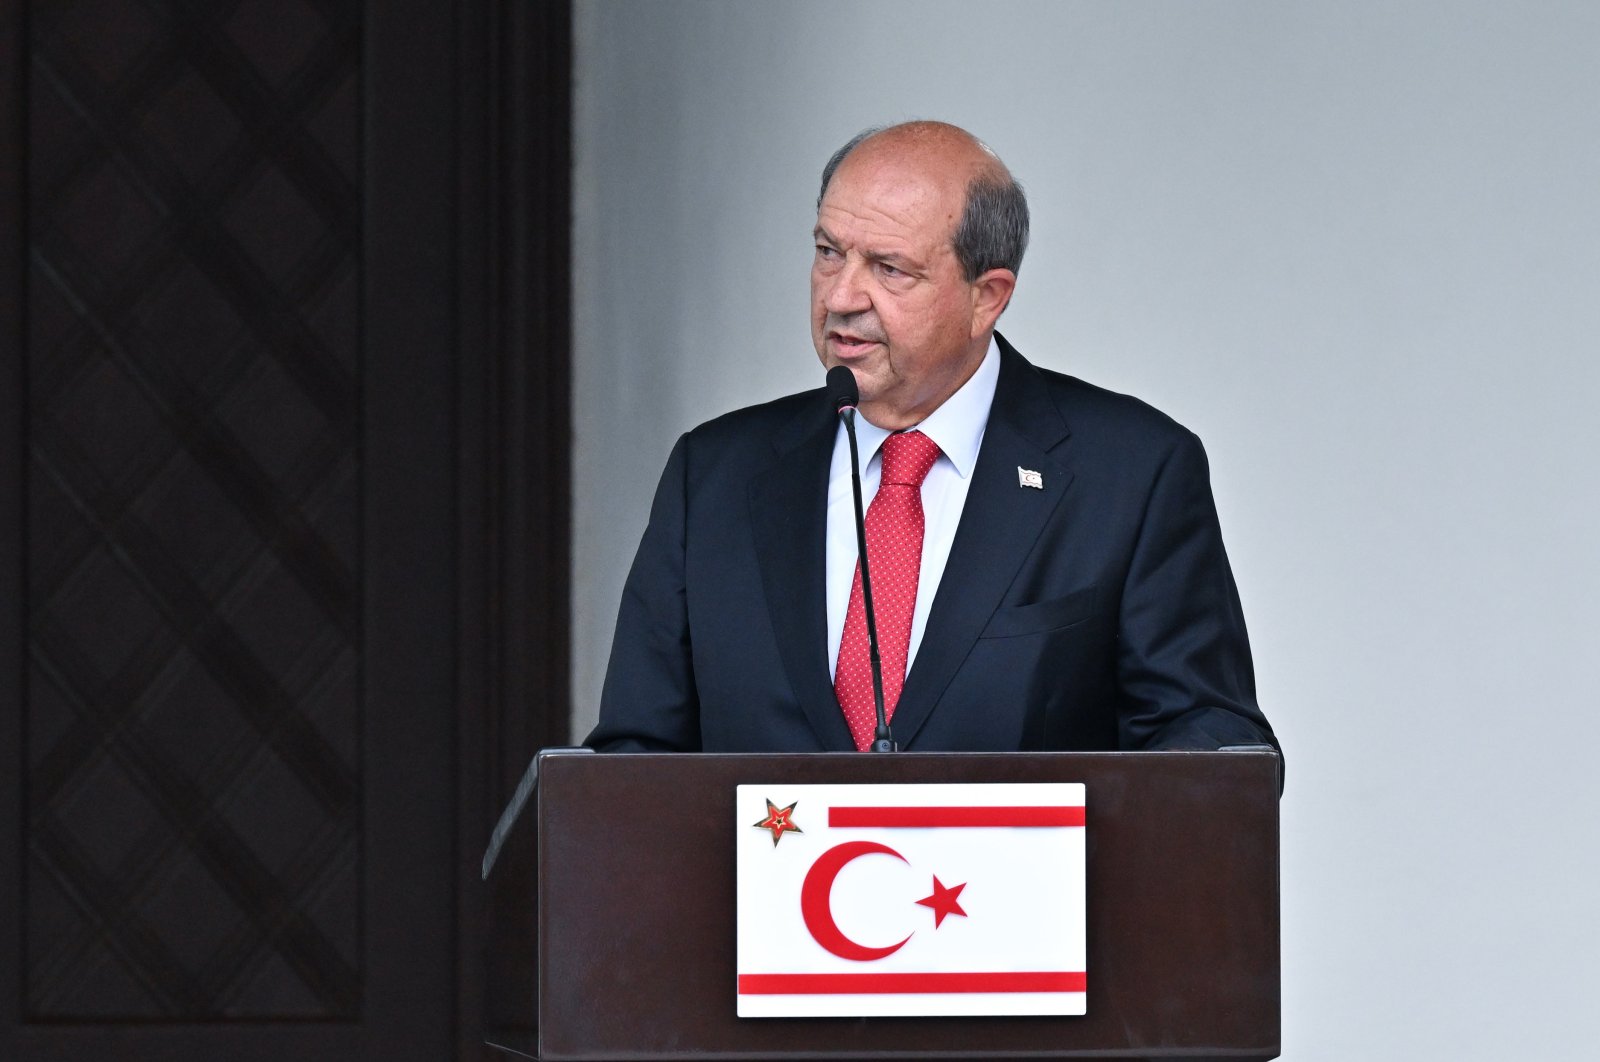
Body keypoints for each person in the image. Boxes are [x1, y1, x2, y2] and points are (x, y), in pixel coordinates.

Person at [584, 121, 1278, 761]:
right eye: (829, 252)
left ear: (988, 297)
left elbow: (1206, 744)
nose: (841, 297)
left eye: (890, 269)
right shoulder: (713, 476)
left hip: (1017, 896)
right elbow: (634, 762)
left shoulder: (1130, 473)